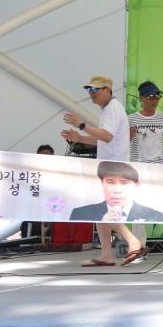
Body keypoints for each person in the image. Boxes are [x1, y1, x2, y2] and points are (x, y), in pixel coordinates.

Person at [62, 75, 145, 267]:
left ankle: (133, 242)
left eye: (95, 90)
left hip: (114, 167)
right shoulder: (109, 109)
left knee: (103, 210)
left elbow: (106, 136)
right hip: (111, 166)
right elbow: (103, 138)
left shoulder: (113, 108)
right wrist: (80, 138)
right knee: (100, 211)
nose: (91, 94)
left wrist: (82, 126)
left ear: (107, 89)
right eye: (89, 90)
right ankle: (107, 254)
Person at [128, 80, 163, 254]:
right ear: (142, 98)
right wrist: (128, 137)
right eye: (151, 96)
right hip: (139, 168)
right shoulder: (131, 119)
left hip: (161, 167)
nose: (155, 100)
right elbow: (122, 144)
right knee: (138, 207)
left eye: (157, 96)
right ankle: (139, 246)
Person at [69, 161, 163, 222]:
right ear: (102, 183)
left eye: (125, 183)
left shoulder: (155, 215)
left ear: (137, 185)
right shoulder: (80, 213)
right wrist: (102, 223)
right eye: (110, 182)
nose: (117, 190)